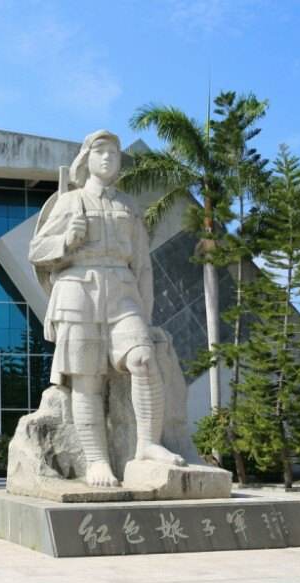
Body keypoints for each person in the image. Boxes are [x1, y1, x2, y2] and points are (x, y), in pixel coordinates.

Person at [29, 130, 185, 488]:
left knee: (143, 359)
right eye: (100, 151)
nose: (108, 157)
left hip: (122, 290)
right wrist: (66, 240)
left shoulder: (128, 207)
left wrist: (146, 316)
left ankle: (148, 444)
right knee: (87, 380)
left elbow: (143, 266)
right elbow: (36, 251)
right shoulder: (69, 202)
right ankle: (98, 460)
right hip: (77, 291)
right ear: (86, 160)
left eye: (114, 152)